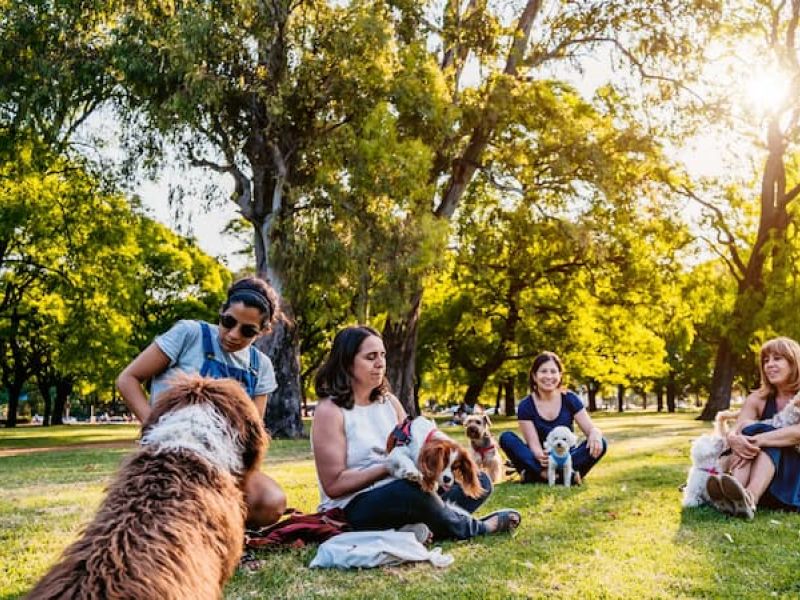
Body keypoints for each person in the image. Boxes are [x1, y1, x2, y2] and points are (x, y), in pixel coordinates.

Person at [311, 325, 521, 540]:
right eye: (370, 357)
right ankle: (477, 528)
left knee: (479, 481)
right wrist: (388, 467)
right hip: (353, 506)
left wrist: (436, 462)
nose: (380, 363)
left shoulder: (389, 402)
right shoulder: (330, 411)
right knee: (413, 492)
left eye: (382, 355)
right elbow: (334, 485)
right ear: (347, 362)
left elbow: (413, 446)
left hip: (403, 490)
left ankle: (416, 528)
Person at [116, 276, 287, 528]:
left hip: (222, 462)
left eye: (248, 331)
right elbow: (128, 379)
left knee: (270, 502)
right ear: (222, 311)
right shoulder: (189, 334)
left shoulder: (260, 366)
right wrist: (154, 427)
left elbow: (251, 432)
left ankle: (218, 526)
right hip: (172, 451)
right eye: (228, 322)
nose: (233, 334)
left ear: (264, 331)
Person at [707, 337, 800, 519]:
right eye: (766, 360)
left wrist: (757, 440)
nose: (769, 365)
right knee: (748, 430)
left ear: (794, 363)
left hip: (792, 478)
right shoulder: (758, 398)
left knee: (764, 434)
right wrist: (735, 439)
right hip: (763, 477)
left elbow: (797, 434)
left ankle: (749, 497)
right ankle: (736, 493)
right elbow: (738, 428)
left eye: (777, 359)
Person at [500, 351, 607, 485]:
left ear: (560, 375)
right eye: (543, 371)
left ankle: (534, 475)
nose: (549, 376)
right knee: (506, 438)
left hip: (567, 457)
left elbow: (590, 429)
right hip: (542, 459)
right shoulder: (526, 405)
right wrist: (540, 456)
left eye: (553, 371)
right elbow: (534, 445)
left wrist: (595, 434)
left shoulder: (570, 398)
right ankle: (553, 475)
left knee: (601, 443)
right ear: (534, 376)